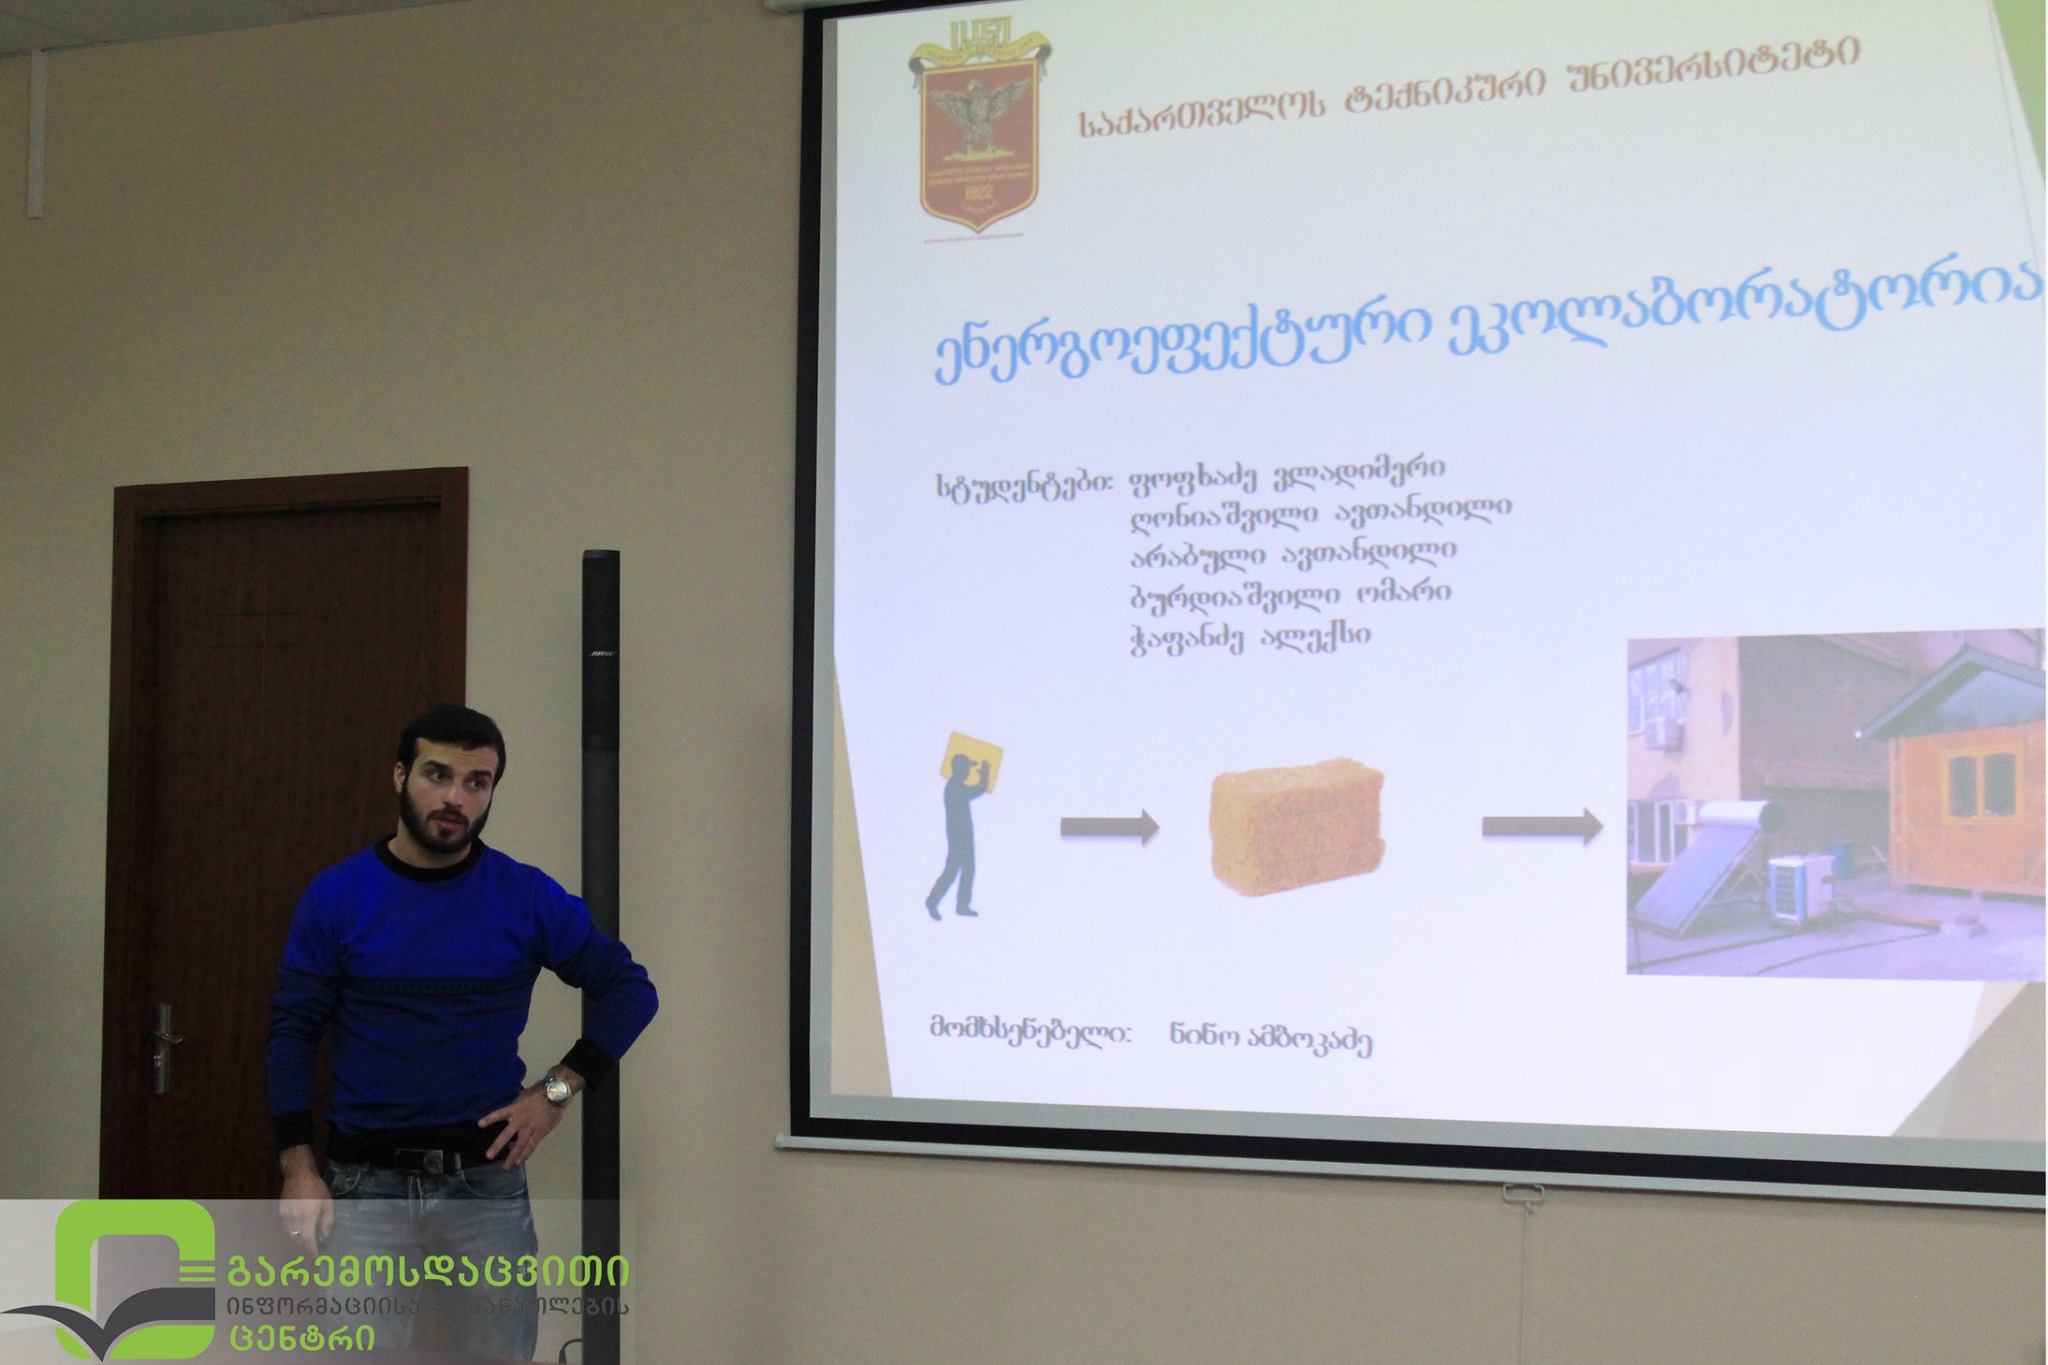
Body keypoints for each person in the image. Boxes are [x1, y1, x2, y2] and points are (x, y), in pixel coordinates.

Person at [266, 704, 658, 1359]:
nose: (456, 798)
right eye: (437, 774)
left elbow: (630, 990)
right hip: (363, 1184)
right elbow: (292, 1031)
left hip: (484, 1183)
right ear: (400, 776)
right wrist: (297, 1168)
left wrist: (555, 1092)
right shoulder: (338, 896)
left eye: (477, 782)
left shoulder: (524, 896)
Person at [925, 753, 991, 920]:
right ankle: (933, 901)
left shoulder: (955, 785)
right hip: (959, 837)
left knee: (966, 869)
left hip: (962, 835)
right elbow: (978, 790)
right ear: (960, 769)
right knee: (953, 871)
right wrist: (984, 775)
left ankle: (961, 905)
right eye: (967, 768)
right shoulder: (955, 787)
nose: (968, 771)